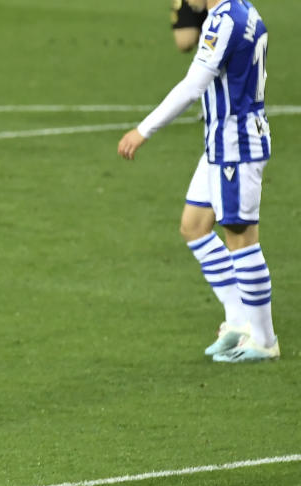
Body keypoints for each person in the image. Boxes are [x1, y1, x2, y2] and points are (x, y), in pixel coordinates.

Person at [118, 0, 278, 362]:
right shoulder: (245, 10)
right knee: (194, 226)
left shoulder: (224, 20)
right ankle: (239, 321)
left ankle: (264, 340)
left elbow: (193, 87)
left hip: (236, 145)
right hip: (219, 146)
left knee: (240, 237)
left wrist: (142, 131)